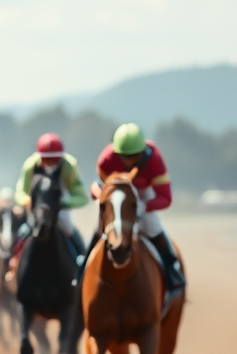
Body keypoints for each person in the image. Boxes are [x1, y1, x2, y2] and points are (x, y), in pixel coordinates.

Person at [91, 123, 186, 293]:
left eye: (134, 156)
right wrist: (103, 198)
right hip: (115, 195)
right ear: (115, 153)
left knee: (153, 226)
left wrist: (143, 206)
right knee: (99, 229)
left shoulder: (155, 160)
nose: (129, 161)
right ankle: (83, 266)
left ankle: (172, 266)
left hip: (142, 195)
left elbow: (165, 198)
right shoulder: (106, 159)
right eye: (124, 156)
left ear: (143, 152)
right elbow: (96, 186)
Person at [14, 133, 90, 262]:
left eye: (54, 159)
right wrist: (28, 202)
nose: (50, 163)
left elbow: (82, 197)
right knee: (25, 230)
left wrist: (62, 203)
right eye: (46, 159)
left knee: (68, 227)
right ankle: (13, 261)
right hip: (36, 207)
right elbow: (20, 192)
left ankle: (81, 259)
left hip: (60, 208)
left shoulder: (69, 165)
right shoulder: (30, 165)